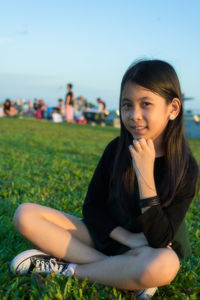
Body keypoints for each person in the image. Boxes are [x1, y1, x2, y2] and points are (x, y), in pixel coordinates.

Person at [10, 60, 199, 299]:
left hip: (150, 251)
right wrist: (127, 238)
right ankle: (119, 272)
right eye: (127, 105)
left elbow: (160, 239)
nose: (134, 115)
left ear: (172, 108)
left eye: (146, 104)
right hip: (109, 237)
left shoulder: (185, 167)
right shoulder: (116, 149)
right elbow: (92, 208)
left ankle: (69, 269)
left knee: (164, 266)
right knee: (25, 215)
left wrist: (144, 174)